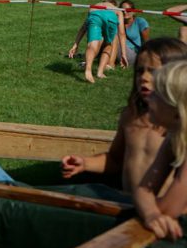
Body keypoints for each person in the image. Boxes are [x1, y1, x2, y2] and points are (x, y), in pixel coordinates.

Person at [61, 38, 187, 194]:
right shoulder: (131, 115)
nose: (144, 77)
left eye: (153, 71)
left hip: (163, 206)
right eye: (140, 71)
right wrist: (85, 163)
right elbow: (115, 160)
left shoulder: (179, 125)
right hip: (126, 202)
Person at [133, 59, 187, 240]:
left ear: (177, 110)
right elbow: (143, 190)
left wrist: (152, 211)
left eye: (157, 95)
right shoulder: (174, 136)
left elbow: (171, 209)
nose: (149, 97)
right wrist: (150, 213)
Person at [67, 0, 127, 83]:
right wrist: (123, 54)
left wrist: (75, 44)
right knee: (108, 45)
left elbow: (83, 28)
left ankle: (88, 69)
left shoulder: (94, 6)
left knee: (92, 44)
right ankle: (100, 72)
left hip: (94, 15)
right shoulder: (117, 10)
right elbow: (122, 33)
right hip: (110, 17)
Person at [121, 0, 151, 65]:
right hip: (120, 51)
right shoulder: (117, 23)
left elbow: (146, 42)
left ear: (134, 12)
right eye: (122, 10)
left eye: (128, 10)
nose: (125, 12)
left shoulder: (140, 22)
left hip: (133, 53)